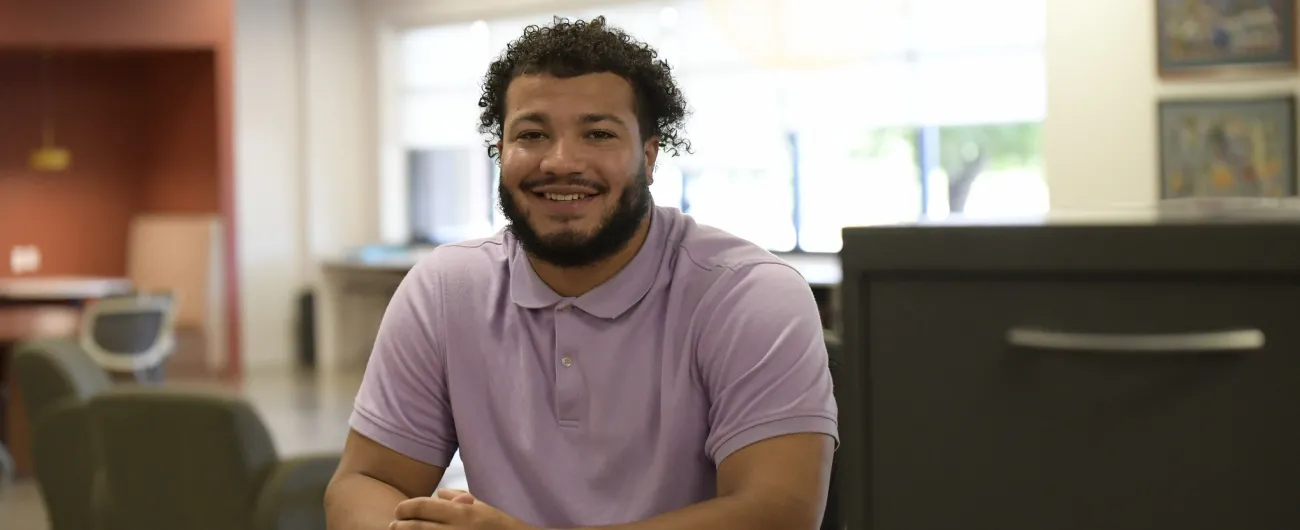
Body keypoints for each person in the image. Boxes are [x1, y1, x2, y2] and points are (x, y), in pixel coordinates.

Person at [325, 16, 838, 530]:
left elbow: (777, 514)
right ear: (500, 152)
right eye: (532, 134)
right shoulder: (445, 289)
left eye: (598, 134)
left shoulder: (747, 294)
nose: (560, 161)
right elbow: (364, 482)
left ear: (649, 156)